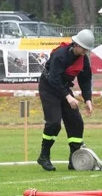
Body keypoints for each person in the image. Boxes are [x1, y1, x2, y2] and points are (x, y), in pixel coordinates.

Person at [36, 29, 95, 171]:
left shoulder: (83, 59)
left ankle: (74, 158)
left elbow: (85, 79)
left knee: (76, 122)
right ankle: (44, 156)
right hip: (49, 88)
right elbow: (54, 79)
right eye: (84, 49)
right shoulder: (60, 55)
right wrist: (68, 97)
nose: (86, 52)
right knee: (54, 123)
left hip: (64, 88)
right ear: (77, 45)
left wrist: (88, 99)